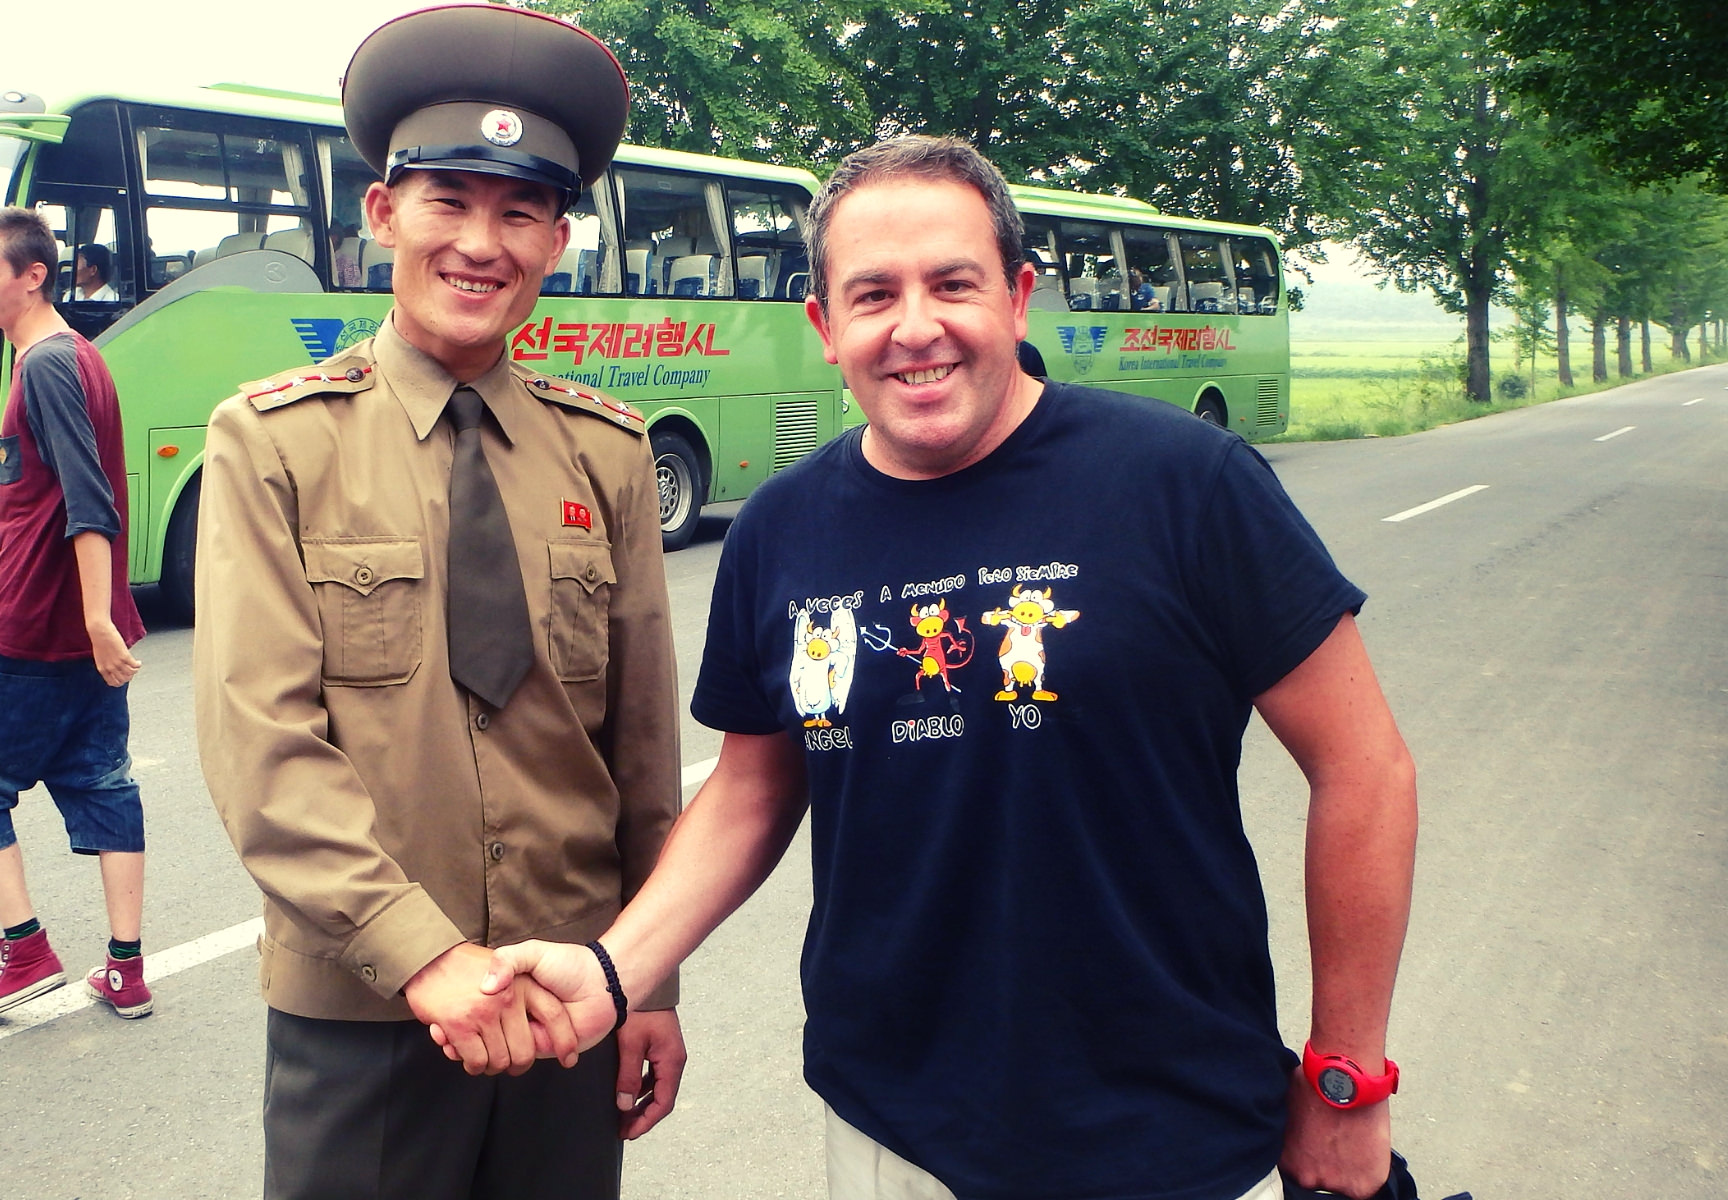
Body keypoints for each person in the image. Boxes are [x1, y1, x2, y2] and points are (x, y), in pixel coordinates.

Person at [487, 136, 1418, 1200]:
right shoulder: (781, 533)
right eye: (873, 294)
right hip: (894, 1127)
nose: (915, 327)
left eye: (953, 284)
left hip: (1174, 1126)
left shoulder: (1182, 482)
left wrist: (1348, 1076)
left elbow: (1366, 769)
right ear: (825, 328)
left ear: (1018, 299)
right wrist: (614, 971)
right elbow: (752, 788)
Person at [190, 7, 683, 1199]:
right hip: (359, 1006)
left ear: (558, 239)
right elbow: (262, 745)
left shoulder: (605, 454)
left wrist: (648, 986)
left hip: (566, 1000)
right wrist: (422, 959)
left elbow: (644, 758)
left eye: (520, 211)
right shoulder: (273, 443)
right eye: (448, 201)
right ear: (382, 214)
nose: (482, 242)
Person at [0, 207, 150, 1020]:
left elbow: (89, 503)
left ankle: (22, 952)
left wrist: (95, 618)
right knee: (102, 782)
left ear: (33, 275)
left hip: (35, 623)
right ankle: (125, 970)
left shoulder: (48, 365)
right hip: (83, 628)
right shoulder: (75, 357)